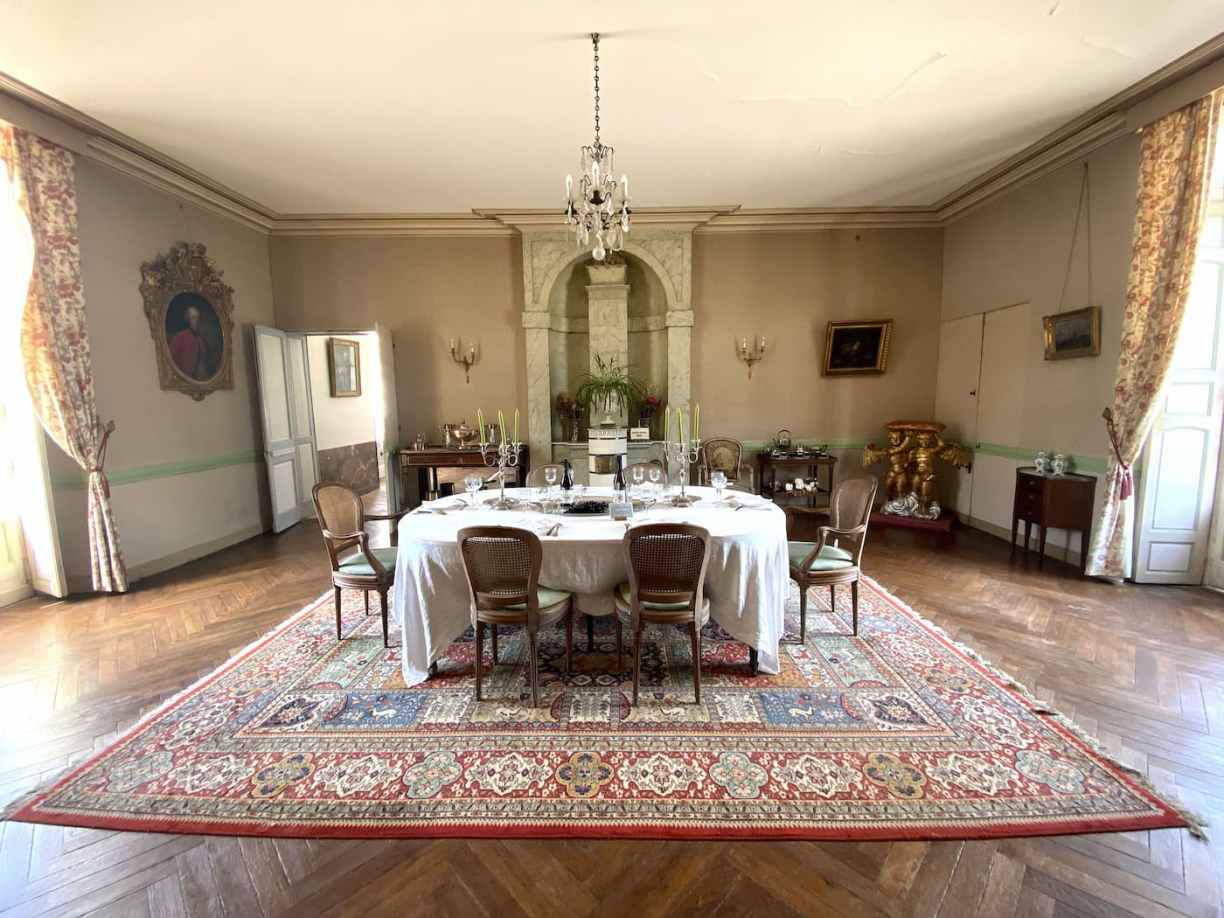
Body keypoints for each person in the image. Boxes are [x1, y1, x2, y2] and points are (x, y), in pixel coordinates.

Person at [169, 304, 214, 380]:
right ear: (188, 320)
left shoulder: (202, 340)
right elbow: (171, 361)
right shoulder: (180, 337)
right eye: (193, 318)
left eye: (198, 318)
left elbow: (206, 362)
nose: (197, 321)